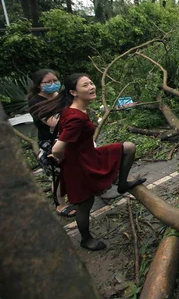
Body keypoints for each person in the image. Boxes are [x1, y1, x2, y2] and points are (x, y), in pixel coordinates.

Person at [32, 73, 146, 251]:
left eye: (91, 83)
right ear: (73, 92)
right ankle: (86, 239)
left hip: (90, 154)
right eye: (85, 85)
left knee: (128, 147)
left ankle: (122, 183)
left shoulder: (74, 108)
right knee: (85, 204)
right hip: (79, 165)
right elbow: (56, 149)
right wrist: (63, 160)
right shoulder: (76, 117)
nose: (92, 87)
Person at [27, 69, 77, 218]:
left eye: (55, 81)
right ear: (38, 85)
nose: (53, 84)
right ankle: (60, 205)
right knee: (59, 175)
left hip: (67, 136)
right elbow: (54, 123)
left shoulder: (58, 95)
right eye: (47, 82)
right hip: (50, 142)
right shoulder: (36, 102)